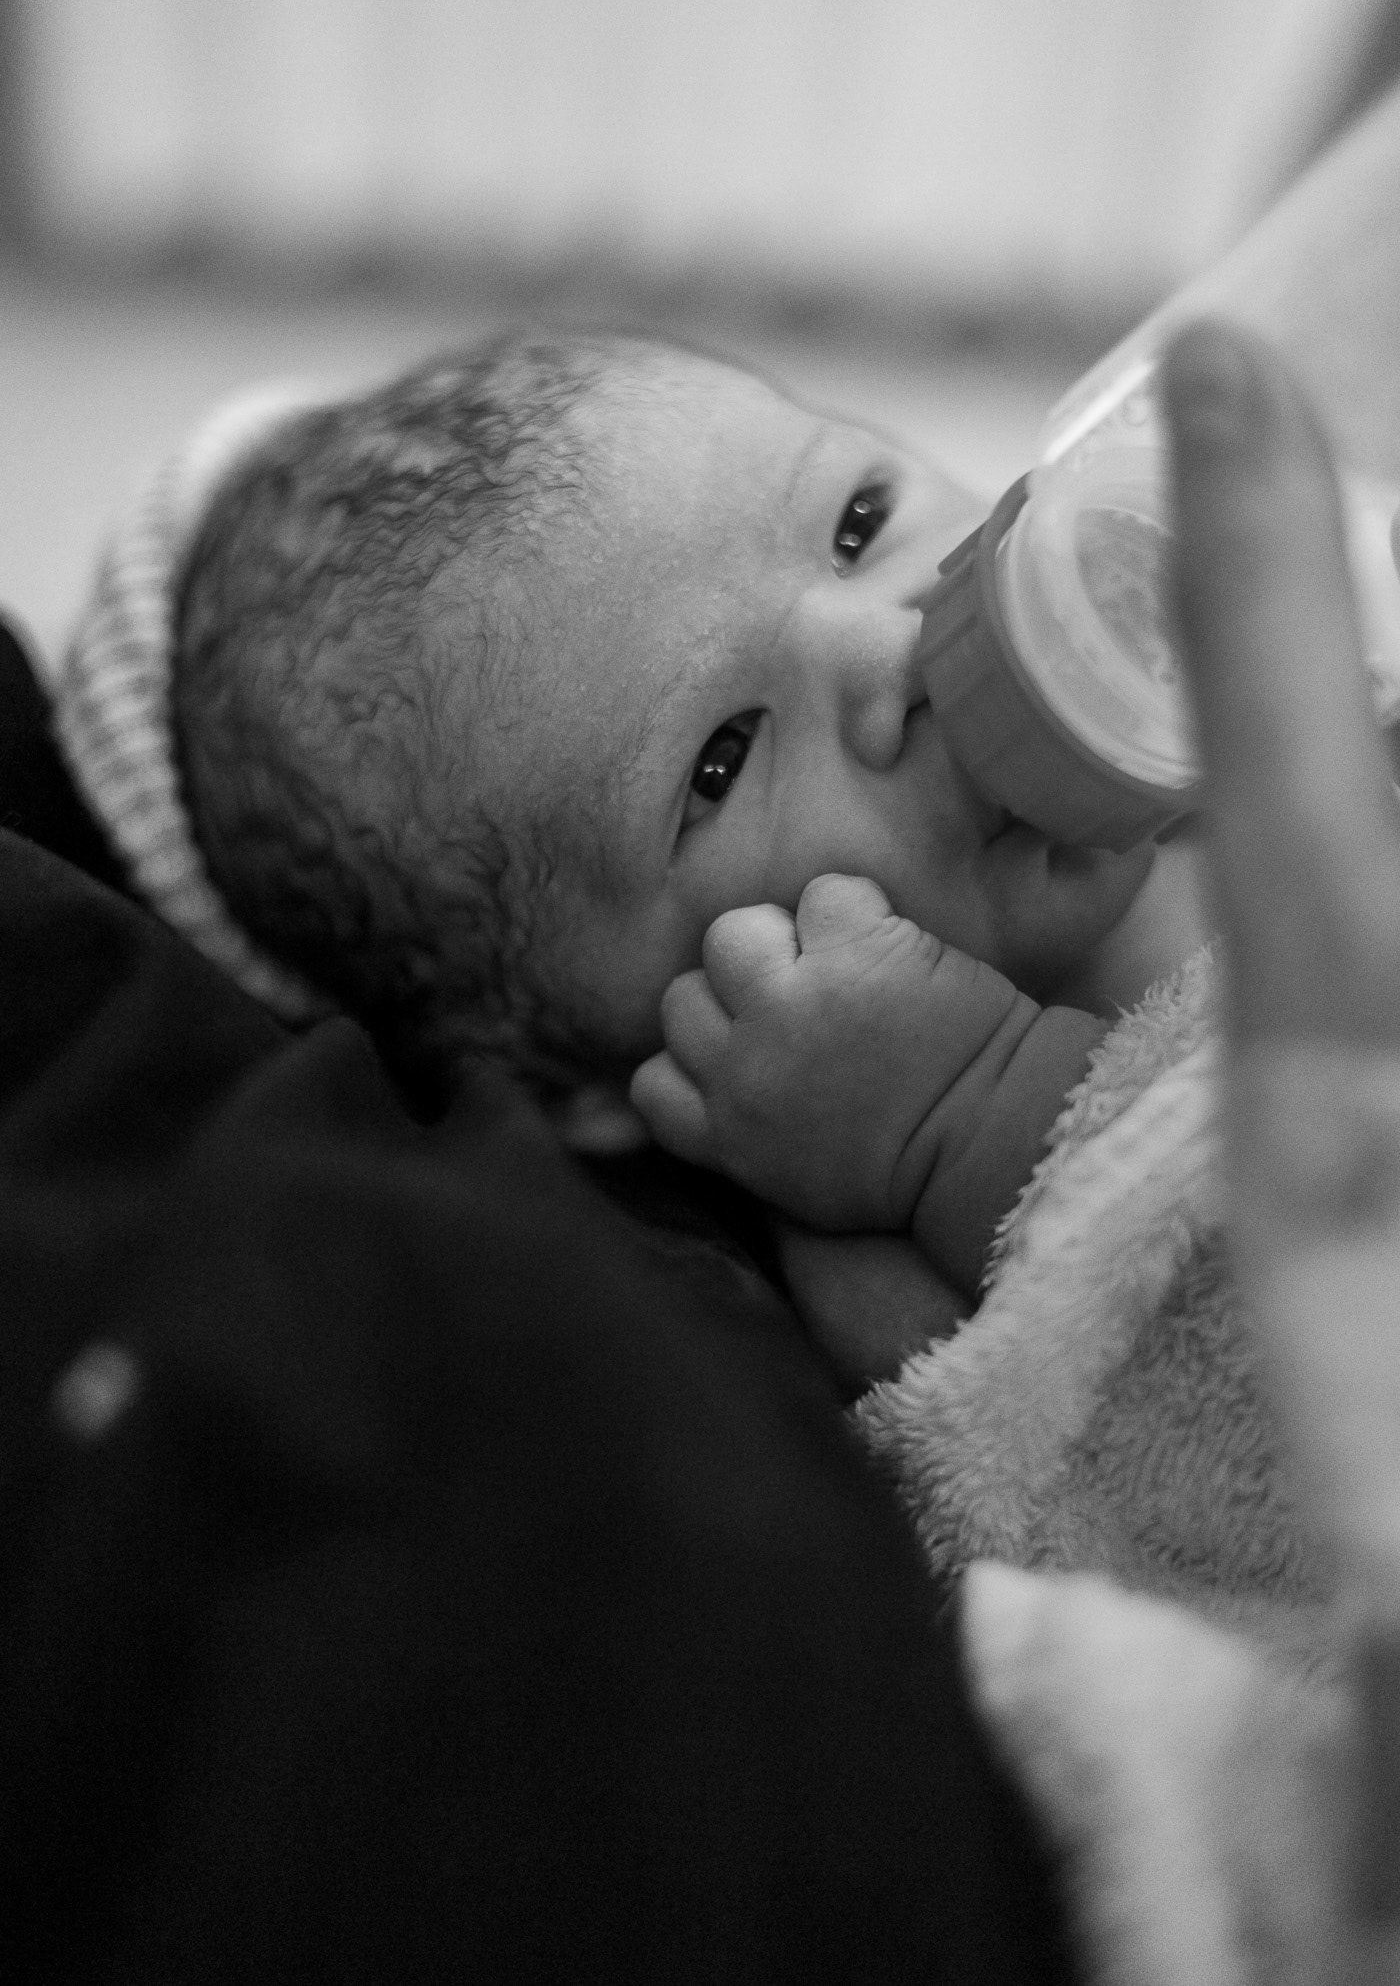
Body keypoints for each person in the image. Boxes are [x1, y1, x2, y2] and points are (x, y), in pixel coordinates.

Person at [56, 331, 1202, 1358]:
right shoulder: (857, 1217)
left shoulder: (1233, 636)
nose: (891, 650)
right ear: (597, 1084)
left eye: (857, 523)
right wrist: (954, 1117)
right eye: (720, 762)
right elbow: (1193, 1382)